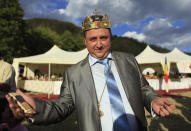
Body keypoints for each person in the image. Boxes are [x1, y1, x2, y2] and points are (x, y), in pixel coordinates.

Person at [6, 10, 175, 131]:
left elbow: (143, 88)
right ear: (85, 41)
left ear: (111, 37)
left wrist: (153, 100)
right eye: (93, 39)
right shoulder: (73, 73)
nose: (99, 44)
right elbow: (61, 107)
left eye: (104, 37)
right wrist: (38, 107)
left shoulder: (128, 59)